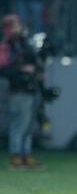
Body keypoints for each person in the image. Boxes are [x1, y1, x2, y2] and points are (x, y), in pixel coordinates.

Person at [0, 14, 44, 169]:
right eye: (13, 25)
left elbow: (36, 61)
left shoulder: (25, 44)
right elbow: (3, 69)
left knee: (29, 126)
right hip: (18, 90)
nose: (17, 28)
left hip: (31, 89)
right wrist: (22, 69)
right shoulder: (6, 47)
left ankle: (26, 154)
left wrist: (36, 71)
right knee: (19, 125)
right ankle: (16, 156)